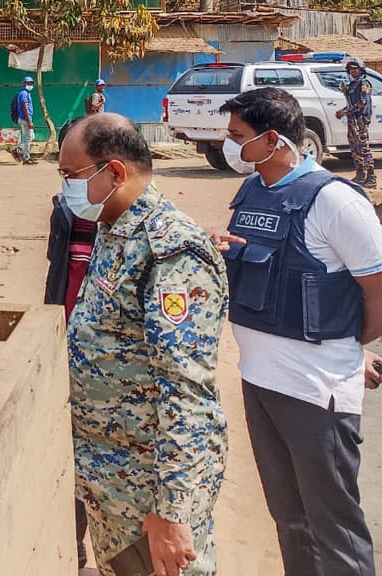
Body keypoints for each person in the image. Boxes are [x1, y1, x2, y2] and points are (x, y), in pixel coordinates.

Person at [216, 87, 381, 576]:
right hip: (261, 383)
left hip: (315, 393)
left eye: (238, 137)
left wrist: (352, 348)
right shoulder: (252, 192)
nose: (231, 146)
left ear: (271, 141)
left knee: (334, 528)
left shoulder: (335, 201)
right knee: (290, 520)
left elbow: (377, 288)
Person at [63, 113, 229, 576]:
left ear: (113, 173)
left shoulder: (171, 250)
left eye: (70, 176)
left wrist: (174, 512)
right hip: (111, 489)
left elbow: (186, 389)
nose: (66, 190)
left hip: (148, 499)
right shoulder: (115, 231)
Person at [45, 115, 97, 570]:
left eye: (73, 173)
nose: (66, 184)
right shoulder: (65, 212)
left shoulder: (146, 232)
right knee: (71, 455)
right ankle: (75, 542)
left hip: (111, 374)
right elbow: (56, 275)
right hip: (65, 349)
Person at [337, 58, 375, 188]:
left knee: (363, 148)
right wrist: (343, 110)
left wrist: (346, 111)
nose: (353, 71)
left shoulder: (364, 83)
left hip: (360, 121)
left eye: (355, 68)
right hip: (352, 121)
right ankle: (360, 174)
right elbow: (351, 104)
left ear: (361, 69)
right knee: (355, 148)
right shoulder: (352, 85)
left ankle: (371, 177)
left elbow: (362, 103)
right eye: (351, 69)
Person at [15, 76, 37, 165]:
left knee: (29, 137)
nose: (30, 85)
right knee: (28, 138)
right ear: (24, 83)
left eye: (31, 83)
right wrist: (29, 121)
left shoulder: (26, 93)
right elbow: (25, 108)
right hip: (25, 119)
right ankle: (26, 158)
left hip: (24, 118)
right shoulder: (23, 93)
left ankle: (19, 151)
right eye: (28, 83)